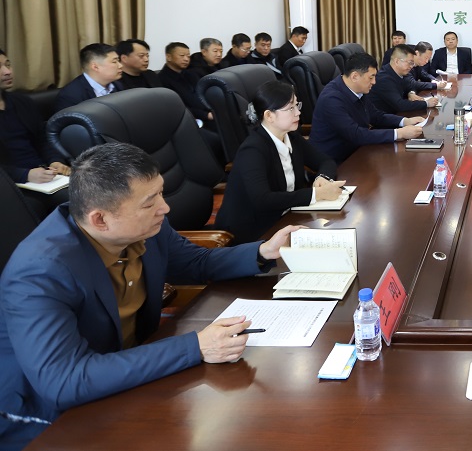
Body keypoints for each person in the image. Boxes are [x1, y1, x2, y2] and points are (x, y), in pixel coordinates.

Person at [0, 142, 303, 449]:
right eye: (149, 203)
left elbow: (195, 262)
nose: (165, 208)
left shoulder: (144, 229)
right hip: (48, 418)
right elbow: (64, 381)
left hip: (127, 377)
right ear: (100, 219)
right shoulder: (40, 272)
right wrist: (196, 346)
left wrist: (263, 252)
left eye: (160, 193)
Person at [216, 81, 344, 244]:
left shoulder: (291, 136)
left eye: (297, 105)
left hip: (286, 218)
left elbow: (325, 161)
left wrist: (322, 178)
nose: (298, 112)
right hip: (252, 233)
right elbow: (262, 200)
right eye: (290, 108)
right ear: (269, 116)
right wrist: (316, 194)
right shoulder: (252, 150)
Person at [309, 52, 424, 162]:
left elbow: (375, 115)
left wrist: (405, 121)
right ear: (354, 76)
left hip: (357, 151)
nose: (374, 82)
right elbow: (356, 134)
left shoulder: (357, 89)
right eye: (371, 77)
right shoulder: (331, 99)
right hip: (336, 160)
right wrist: (399, 133)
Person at [0, 50, 71, 219]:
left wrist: (55, 160)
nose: (7, 71)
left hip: (44, 175)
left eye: (8, 65)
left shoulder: (22, 102)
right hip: (10, 183)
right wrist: (25, 175)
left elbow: (42, 139)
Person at [368, 44, 440, 114]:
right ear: (397, 61)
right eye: (410, 63)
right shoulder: (384, 78)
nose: (411, 66)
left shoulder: (399, 72)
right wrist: (427, 103)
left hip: (396, 113)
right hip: (384, 117)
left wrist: (411, 93)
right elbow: (400, 105)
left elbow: (409, 86)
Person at [54, 43, 124, 113]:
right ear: (95, 67)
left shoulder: (117, 85)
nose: (120, 65)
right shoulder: (71, 96)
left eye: (118, 61)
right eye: (114, 62)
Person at [158, 42, 211, 124]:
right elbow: (176, 107)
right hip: (188, 120)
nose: (186, 59)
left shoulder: (190, 73)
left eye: (188, 56)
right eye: (182, 55)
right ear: (169, 57)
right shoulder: (161, 80)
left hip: (208, 112)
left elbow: (202, 94)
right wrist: (206, 115)